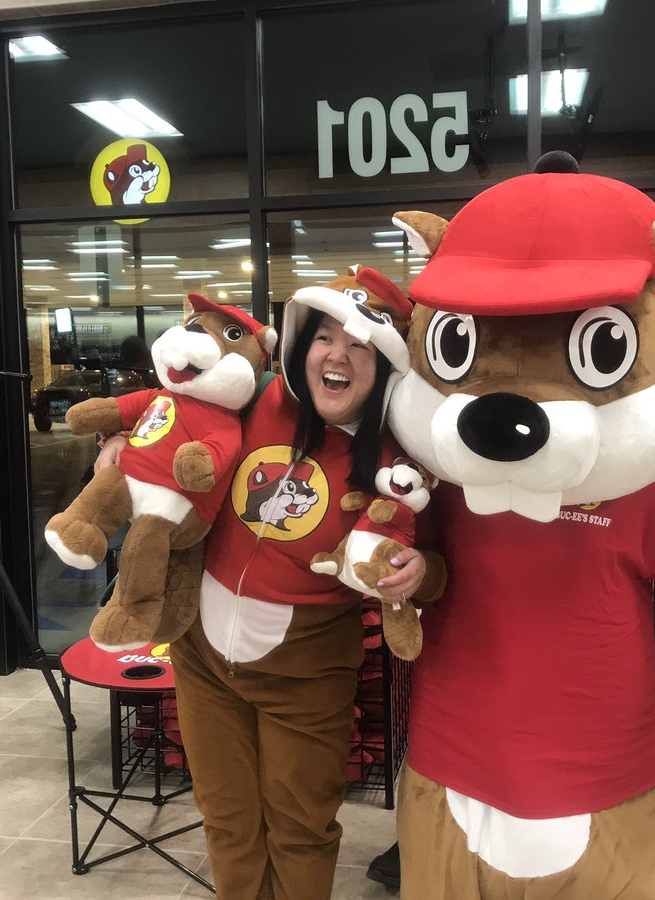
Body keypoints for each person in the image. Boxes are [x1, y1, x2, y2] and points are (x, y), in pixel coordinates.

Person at [98, 268, 440, 899]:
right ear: (301, 344)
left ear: (385, 362)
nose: (338, 355)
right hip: (202, 657)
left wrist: (415, 572)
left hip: (305, 674)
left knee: (300, 828)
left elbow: (431, 559)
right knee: (227, 821)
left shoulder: (400, 457)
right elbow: (168, 417)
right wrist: (119, 437)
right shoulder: (252, 398)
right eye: (324, 337)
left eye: (360, 343)